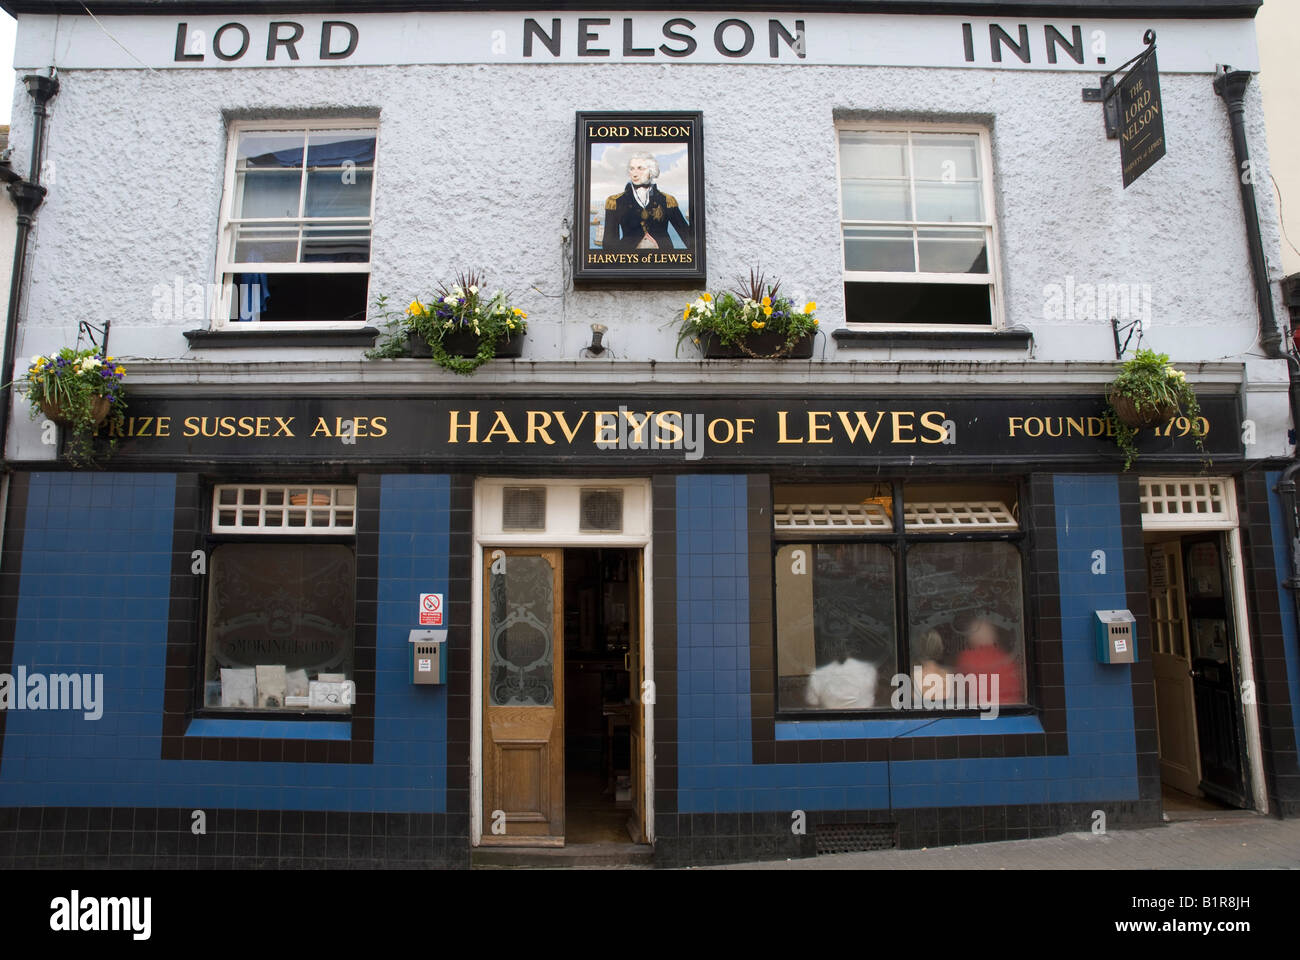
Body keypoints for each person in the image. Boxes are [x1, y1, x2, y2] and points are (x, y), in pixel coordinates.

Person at [602, 153, 693, 252]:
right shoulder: (615, 202)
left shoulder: (667, 200)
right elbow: (609, 244)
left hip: (664, 259)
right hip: (628, 260)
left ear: (651, 171)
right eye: (632, 169)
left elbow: (687, 236)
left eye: (640, 168)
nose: (634, 173)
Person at [953, 617, 1023, 705]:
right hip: (1008, 710)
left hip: (983, 711)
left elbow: (959, 690)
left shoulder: (967, 658)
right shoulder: (1004, 657)